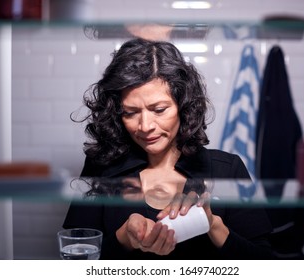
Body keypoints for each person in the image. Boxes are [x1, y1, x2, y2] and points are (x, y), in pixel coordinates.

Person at [63, 37, 274, 259]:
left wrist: (213, 225)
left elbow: (266, 265)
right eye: (130, 112)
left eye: (159, 109)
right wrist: (124, 237)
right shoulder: (101, 167)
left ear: (183, 106)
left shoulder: (227, 169)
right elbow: (76, 262)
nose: (145, 126)